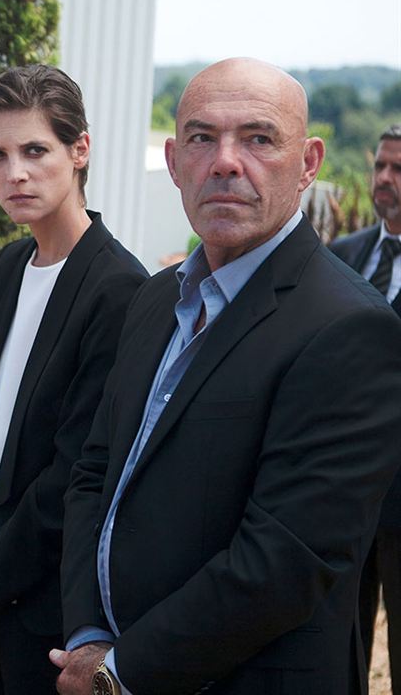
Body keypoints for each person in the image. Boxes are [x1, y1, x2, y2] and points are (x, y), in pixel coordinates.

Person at [51, 58, 401, 695]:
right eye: (202, 137)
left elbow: (282, 562)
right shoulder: (155, 301)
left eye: (259, 138)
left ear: (310, 162)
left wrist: (118, 675)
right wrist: (85, 635)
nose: (226, 161)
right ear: (175, 159)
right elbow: (94, 472)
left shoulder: (350, 328)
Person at [0, 64, 146, 694]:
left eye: (34, 150)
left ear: (80, 151)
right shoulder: (12, 264)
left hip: (41, 610)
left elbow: (75, 469)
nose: (13, 173)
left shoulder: (119, 289)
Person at [330, 123, 401, 690]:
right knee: (338, 647)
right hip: (342, 495)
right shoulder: (344, 255)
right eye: (380, 166)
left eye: (398, 170)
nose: (383, 179)